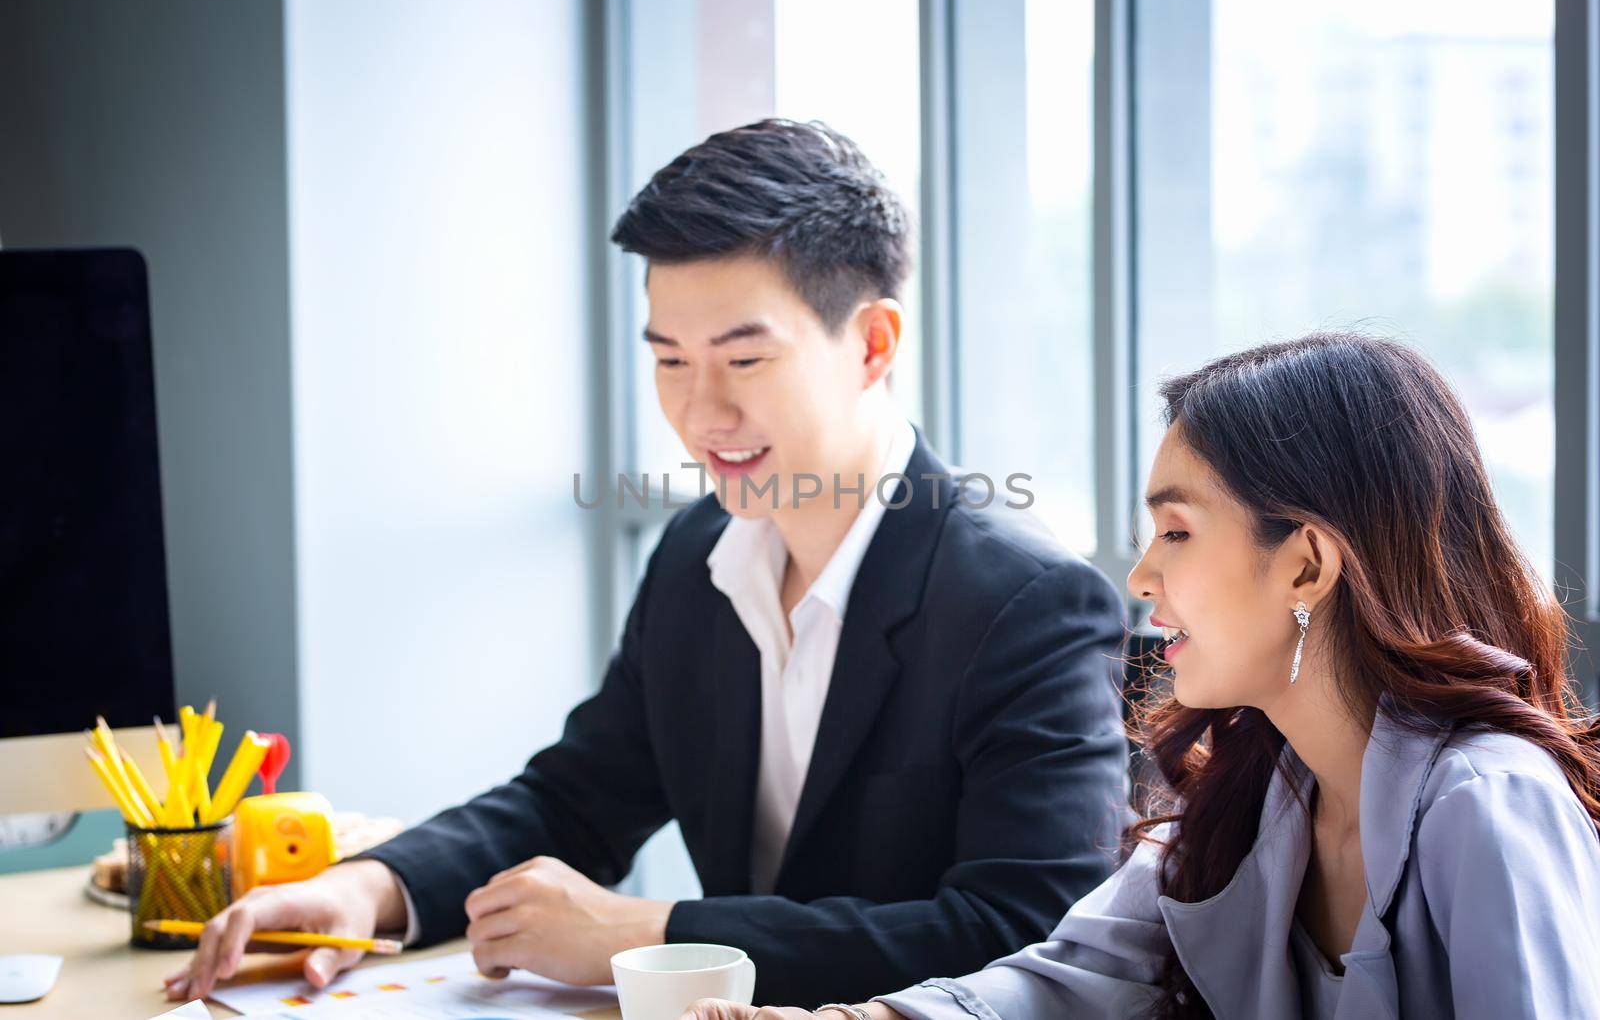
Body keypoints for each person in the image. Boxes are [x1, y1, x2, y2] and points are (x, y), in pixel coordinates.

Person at [165, 119, 1130, 1006]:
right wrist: (370, 888)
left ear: (872, 343)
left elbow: (1025, 935)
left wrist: (657, 933)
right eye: (670, 359)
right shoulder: (698, 555)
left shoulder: (1027, 602)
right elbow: (576, 798)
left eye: (744, 360)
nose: (701, 415)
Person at [682, 333, 1600, 1020]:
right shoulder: (1265, 795)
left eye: (1178, 531)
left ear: (1309, 565)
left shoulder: (1487, 805)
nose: (1140, 579)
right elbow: (1064, 979)